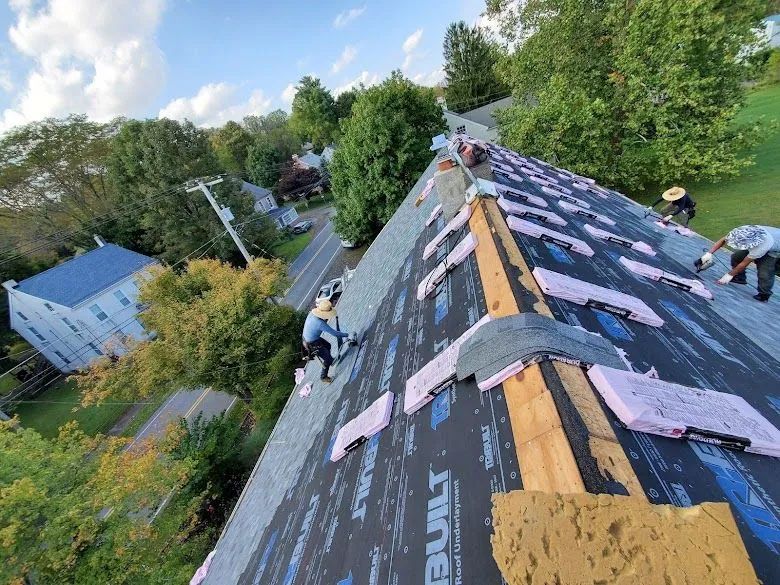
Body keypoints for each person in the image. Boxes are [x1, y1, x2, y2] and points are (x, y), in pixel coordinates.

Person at [698, 224, 780, 302]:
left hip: (774, 249)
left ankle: (764, 294)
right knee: (736, 257)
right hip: (763, 239)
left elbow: (744, 263)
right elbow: (723, 240)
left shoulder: (762, 246)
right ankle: (740, 278)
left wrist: (728, 275)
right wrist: (709, 253)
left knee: (764, 272)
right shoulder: (742, 231)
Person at [302, 299, 351, 383]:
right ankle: (323, 377)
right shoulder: (319, 323)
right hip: (312, 343)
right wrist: (347, 335)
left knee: (328, 345)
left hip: (308, 338)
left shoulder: (312, 313)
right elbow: (335, 333)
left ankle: (328, 358)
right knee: (327, 359)